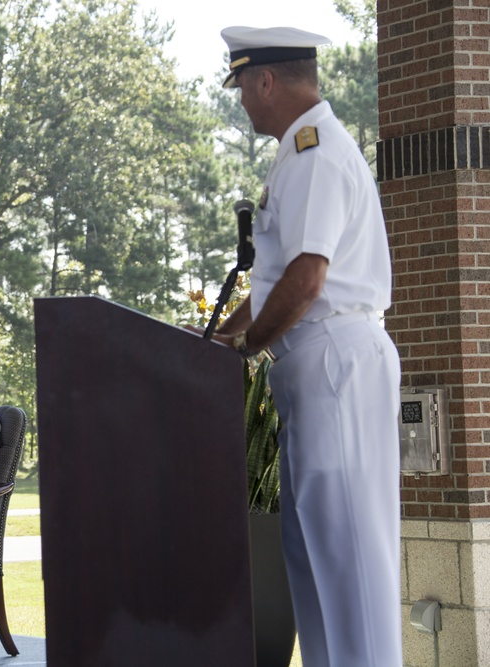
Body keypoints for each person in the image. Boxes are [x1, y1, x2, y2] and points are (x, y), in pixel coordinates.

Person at [210, 26, 402, 667]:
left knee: (347, 556)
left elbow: (307, 279)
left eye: (240, 85)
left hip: (335, 361)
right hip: (313, 365)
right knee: (313, 553)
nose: (240, 100)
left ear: (266, 79)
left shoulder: (316, 152)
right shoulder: (297, 153)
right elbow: (279, 283)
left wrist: (243, 349)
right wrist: (221, 335)